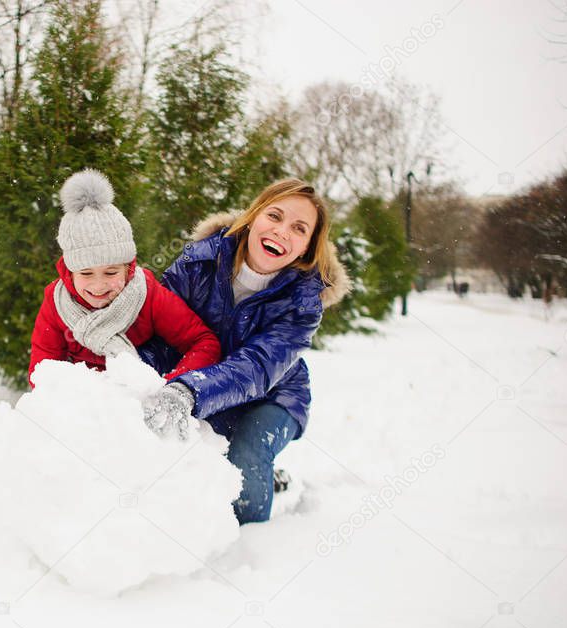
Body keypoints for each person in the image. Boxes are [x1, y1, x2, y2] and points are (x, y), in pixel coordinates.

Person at [140, 178, 349, 524]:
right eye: (275, 216)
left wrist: (188, 391)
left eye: (299, 228)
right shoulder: (198, 262)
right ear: (253, 216)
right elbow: (159, 329)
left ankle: (246, 547)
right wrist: (135, 378)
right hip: (200, 382)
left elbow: (256, 368)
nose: (282, 231)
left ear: (308, 248)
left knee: (247, 453)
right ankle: (267, 476)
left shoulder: (303, 303)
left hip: (273, 397)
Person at [28, 169, 221, 393]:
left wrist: (174, 387)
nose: (98, 286)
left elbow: (204, 343)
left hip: (139, 398)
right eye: (86, 273)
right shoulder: (57, 304)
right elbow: (43, 370)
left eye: (111, 273)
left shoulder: (147, 295)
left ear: (128, 269)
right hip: (82, 403)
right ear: (69, 272)